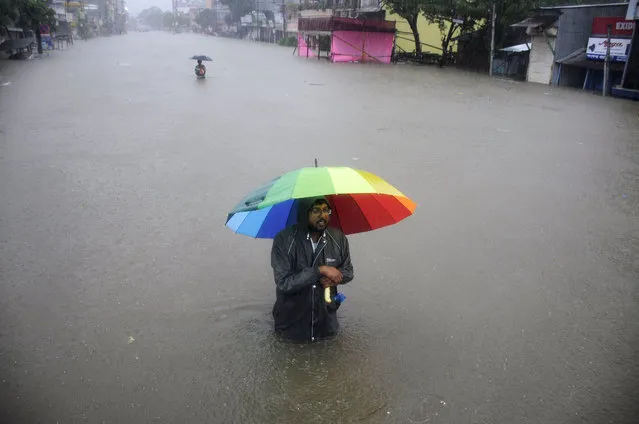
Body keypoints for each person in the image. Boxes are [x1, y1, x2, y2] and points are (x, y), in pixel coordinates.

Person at [271, 197, 354, 342]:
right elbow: (284, 283)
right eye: (316, 211)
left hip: (327, 323)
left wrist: (335, 277)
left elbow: (348, 272)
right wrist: (319, 270)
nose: (322, 216)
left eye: (325, 210)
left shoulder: (339, 238)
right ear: (304, 213)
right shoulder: (284, 240)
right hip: (291, 325)